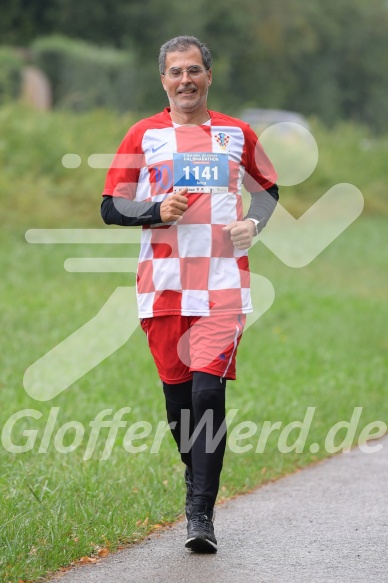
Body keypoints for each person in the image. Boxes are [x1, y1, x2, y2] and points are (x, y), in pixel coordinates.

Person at [101, 35, 279, 553]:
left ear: (208, 76)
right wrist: (156, 211)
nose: (186, 80)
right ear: (164, 79)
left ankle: (201, 514)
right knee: (180, 402)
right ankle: (195, 473)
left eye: (194, 70)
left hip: (223, 285)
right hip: (163, 289)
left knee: (208, 395)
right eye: (176, 71)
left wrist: (252, 222)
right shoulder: (144, 135)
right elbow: (112, 206)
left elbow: (267, 191)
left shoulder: (237, 133)